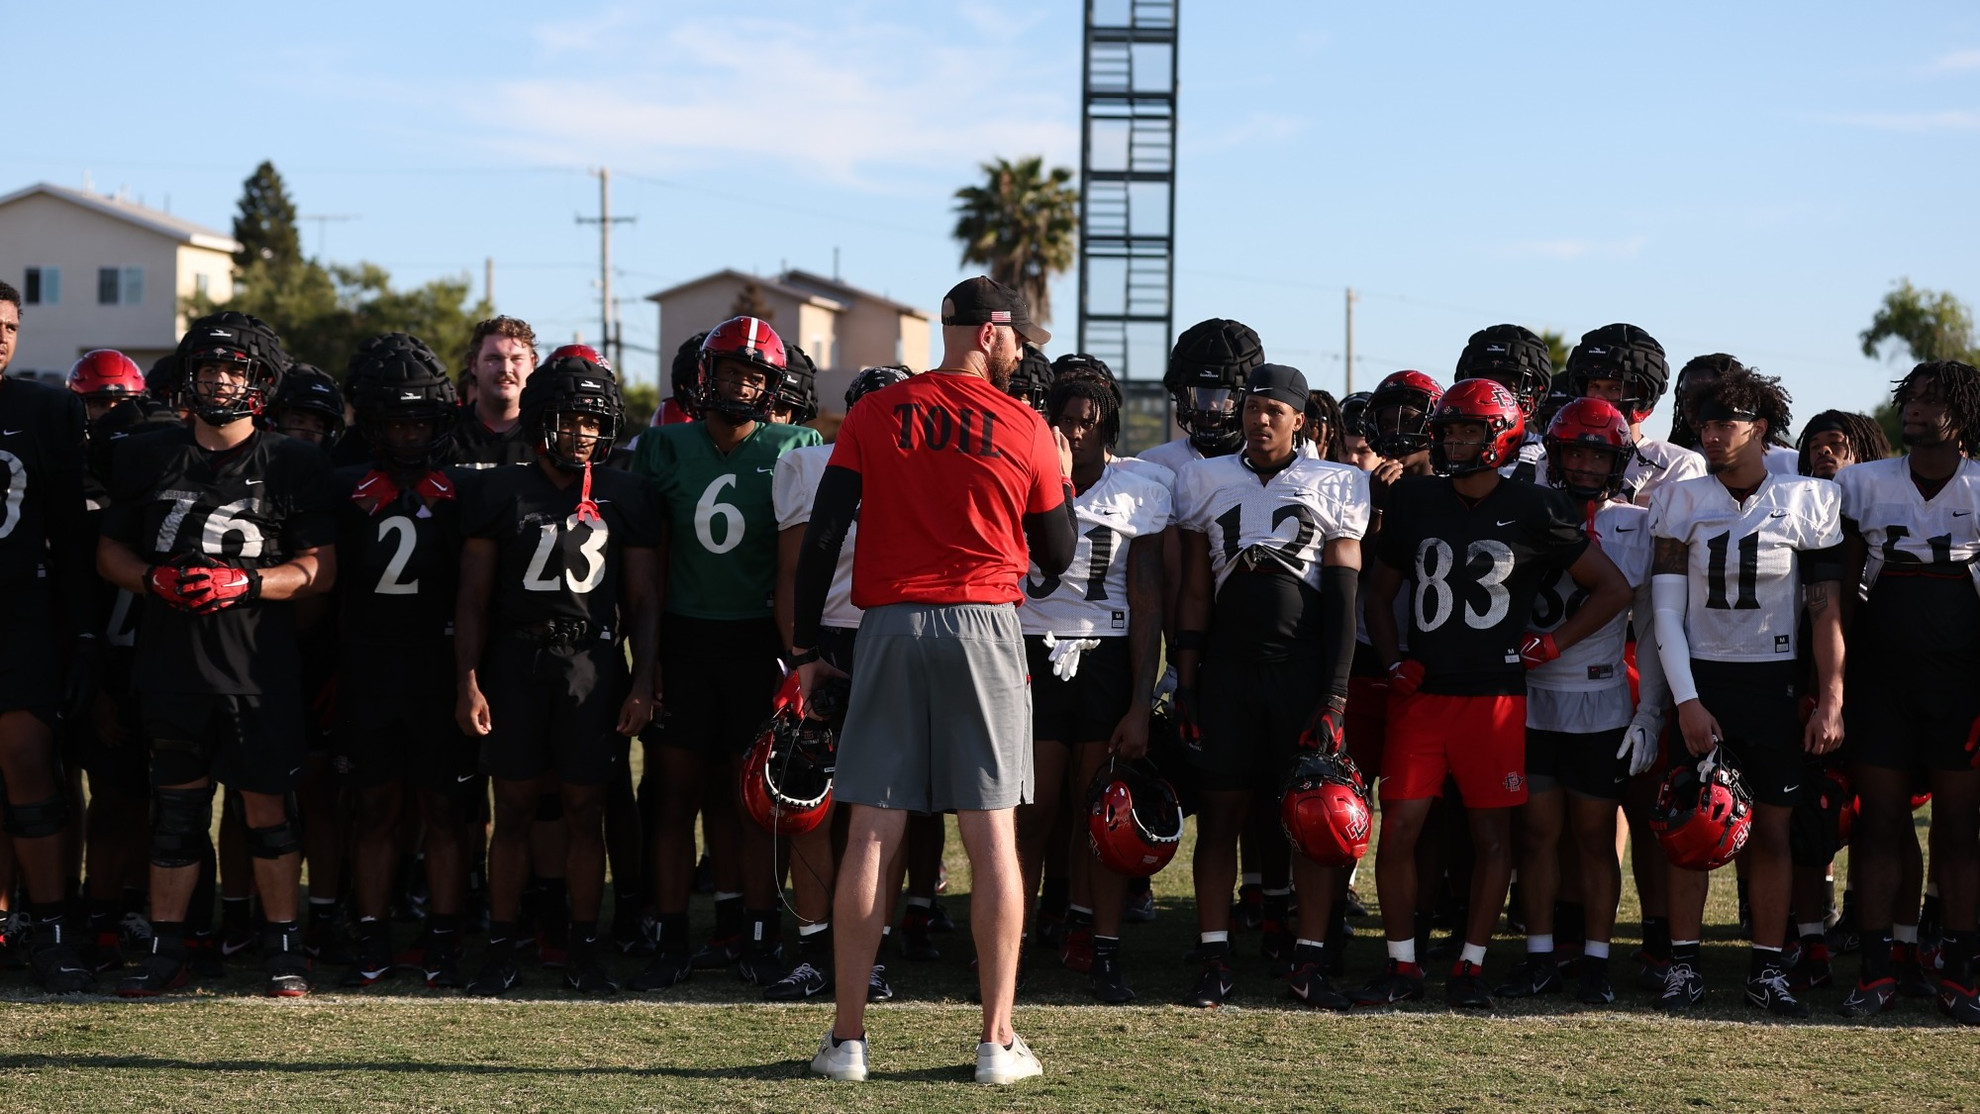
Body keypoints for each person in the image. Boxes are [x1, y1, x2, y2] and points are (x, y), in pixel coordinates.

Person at [792, 275, 1073, 1085]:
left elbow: (823, 538)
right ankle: (996, 1040)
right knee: (990, 837)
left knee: (872, 832)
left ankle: (847, 1041)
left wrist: (806, 646)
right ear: (990, 332)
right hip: (983, 626)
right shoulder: (1023, 422)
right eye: (1017, 336)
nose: (1021, 351)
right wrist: (1058, 473)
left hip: (887, 626)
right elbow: (1057, 555)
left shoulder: (876, 413)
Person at [1355, 378, 1629, 1009]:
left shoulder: (1536, 507)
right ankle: (1401, 966)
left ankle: (1471, 967)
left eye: (1468, 431)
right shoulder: (1418, 499)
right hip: (1424, 696)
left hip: (1498, 699)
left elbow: (1614, 589)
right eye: (1448, 430)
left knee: (1493, 840)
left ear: (1500, 435)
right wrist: (1394, 661)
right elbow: (1378, 593)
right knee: (1398, 831)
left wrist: (1553, 643)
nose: (1455, 441)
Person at [97, 312, 338, 997]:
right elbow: (109, 550)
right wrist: (151, 578)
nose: (220, 380)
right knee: (174, 815)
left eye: (234, 369)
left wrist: (249, 580)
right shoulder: (148, 454)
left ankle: (283, 948)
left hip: (256, 669)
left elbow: (321, 567)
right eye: (209, 368)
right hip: (172, 664)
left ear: (260, 381)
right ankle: (167, 948)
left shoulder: (294, 460)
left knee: (268, 811)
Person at [454, 354, 660, 995]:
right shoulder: (500, 491)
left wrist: (644, 678)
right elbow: (472, 599)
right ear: (541, 421)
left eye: (594, 423)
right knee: (512, 808)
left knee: (584, 808)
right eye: (570, 421)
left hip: (591, 668)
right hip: (515, 662)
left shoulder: (625, 493)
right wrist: (467, 678)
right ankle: (502, 944)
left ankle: (581, 946)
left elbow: (645, 600)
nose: (583, 435)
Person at [627, 316, 822, 991]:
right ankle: (672, 934)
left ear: (773, 386)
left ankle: (760, 938)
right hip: (684, 638)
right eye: (732, 370)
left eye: (755, 374)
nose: (742, 383)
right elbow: (649, 565)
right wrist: (646, 656)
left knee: (755, 802)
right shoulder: (661, 447)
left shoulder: (797, 445)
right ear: (704, 376)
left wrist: (799, 655)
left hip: (757, 644)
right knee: (675, 796)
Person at [1647, 364, 1844, 1017]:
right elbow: (1666, 613)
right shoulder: (1681, 500)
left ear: (1759, 428)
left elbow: (1825, 613)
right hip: (1703, 673)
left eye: (1722, 422)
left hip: (1773, 680)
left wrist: (1832, 698)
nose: (1708, 434)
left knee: (1775, 833)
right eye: (1701, 422)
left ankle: (1766, 969)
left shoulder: (1807, 502)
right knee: (1687, 826)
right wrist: (1687, 699)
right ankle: (1682, 965)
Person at [1170, 363, 1367, 1009]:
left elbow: (1344, 601)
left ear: (1300, 420)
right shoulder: (1206, 478)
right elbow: (1197, 590)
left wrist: (1335, 696)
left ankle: (1309, 958)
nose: (1259, 420)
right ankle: (1214, 950)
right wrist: (1189, 680)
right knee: (1221, 818)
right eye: (1252, 408)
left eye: (1272, 411)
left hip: (1300, 673)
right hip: (1228, 671)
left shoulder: (1337, 484)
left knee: (1311, 817)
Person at [1496, 398, 1669, 1006]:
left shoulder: (1638, 524)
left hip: (1601, 696)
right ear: (1558, 453)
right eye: (1575, 450)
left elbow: (1649, 625)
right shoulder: (1522, 514)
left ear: (1618, 458)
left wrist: (1649, 710)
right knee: (1538, 834)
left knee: (1596, 835)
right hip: (1533, 696)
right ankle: (1541, 953)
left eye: (1599, 452)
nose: (1587, 464)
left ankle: (1596, 959)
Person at [329, 333, 478, 989]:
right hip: (368, 667)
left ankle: (442, 936)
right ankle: (372, 933)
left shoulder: (464, 490)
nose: (411, 433)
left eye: (421, 419)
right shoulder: (343, 489)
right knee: (376, 810)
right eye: (398, 421)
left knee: (443, 810)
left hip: (438, 666)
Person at [763, 364, 914, 1005]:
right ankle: (813, 944)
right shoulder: (809, 466)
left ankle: (870, 951)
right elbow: (794, 573)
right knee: (808, 804)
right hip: (826, 636)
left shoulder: (921, 466)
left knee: (879, 808)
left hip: (895, 636)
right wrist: (799, 658)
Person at [1016, 373, 1169, 1004]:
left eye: (1087, 420)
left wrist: (1140, 699)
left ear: (1107, 423)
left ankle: (1097, 941)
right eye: (1065, 420)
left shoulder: (1138, 487)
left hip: (1106, 654)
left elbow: (1147, 599)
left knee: (1101, 812)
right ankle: (1014, 943)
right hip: (1027, 647)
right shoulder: (1023, 476)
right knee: (1031, 811)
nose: (1074, 432)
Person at [1834, 361, 1980, 1021]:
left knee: (1958, 829)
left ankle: (1961, 969)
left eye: (1931, 399)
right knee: (1881, 825)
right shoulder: (1862, 484)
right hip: (1881, 681)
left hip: (1962, 685)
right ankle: (1875, 971)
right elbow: (1834, 595)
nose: (1915, 408)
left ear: (1965, 412)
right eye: (1911, 397)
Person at [0, 282, 98, 991]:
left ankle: (54, 926)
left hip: (17, 616)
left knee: (30, 766)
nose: (0, 338)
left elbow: (70, 533)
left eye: (9, 326)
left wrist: (83, 633)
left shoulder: (43, 409)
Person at [1560, 324, 1705, 507]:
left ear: (1642, 396)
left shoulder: (1676, 465)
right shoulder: (1557, 455)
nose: (1598, 398)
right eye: (1594, 386)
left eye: (1614, 388)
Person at [1452, 324, 1554, 482]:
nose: (1492, 394)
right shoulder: (1444, 451)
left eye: (1509, 386)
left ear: (1534, 393)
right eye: (1484, 383)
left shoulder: (1549, 458)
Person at [453, 316, 539, 467]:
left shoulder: (547, 435)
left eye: (516, 359)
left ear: (532, 364)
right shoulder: (446, 432)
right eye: (494, 358)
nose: (506, 369)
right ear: (474, 364)